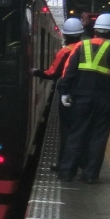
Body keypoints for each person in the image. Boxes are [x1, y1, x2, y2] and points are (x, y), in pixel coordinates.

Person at [58, 12, 110, 182]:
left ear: (96, 30)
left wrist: (64, 91)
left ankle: (67, 172)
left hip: (81, 100)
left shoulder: (80, 46)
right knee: (98, 138)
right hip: (105, 101)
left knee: (76, 135)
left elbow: (68, 72)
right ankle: (90, 175)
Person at [34, 17, 87, 165]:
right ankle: (81, 162)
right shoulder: (87, 50)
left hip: (67, 96)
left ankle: (64, 162)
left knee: (67, 131)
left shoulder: (65, 52)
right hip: (85, 96)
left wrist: (35, 72)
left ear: (65, 35)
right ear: (80, 35)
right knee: (82, 130)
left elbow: (52, 74)